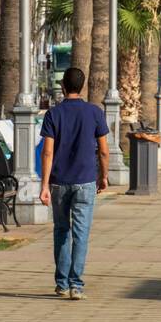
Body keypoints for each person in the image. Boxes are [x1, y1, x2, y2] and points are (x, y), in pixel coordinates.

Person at [39, 66, 110, 300]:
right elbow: (104, 151)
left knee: (61, 230)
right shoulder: (94, 112)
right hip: (85, 181)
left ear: (63, 87)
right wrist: (104, 176)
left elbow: (47, 153)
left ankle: (61, 283)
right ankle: (76, 285)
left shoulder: (53, 114)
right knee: (81, 233)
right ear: (83, 86)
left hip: (59, 182)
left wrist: (44, 186)